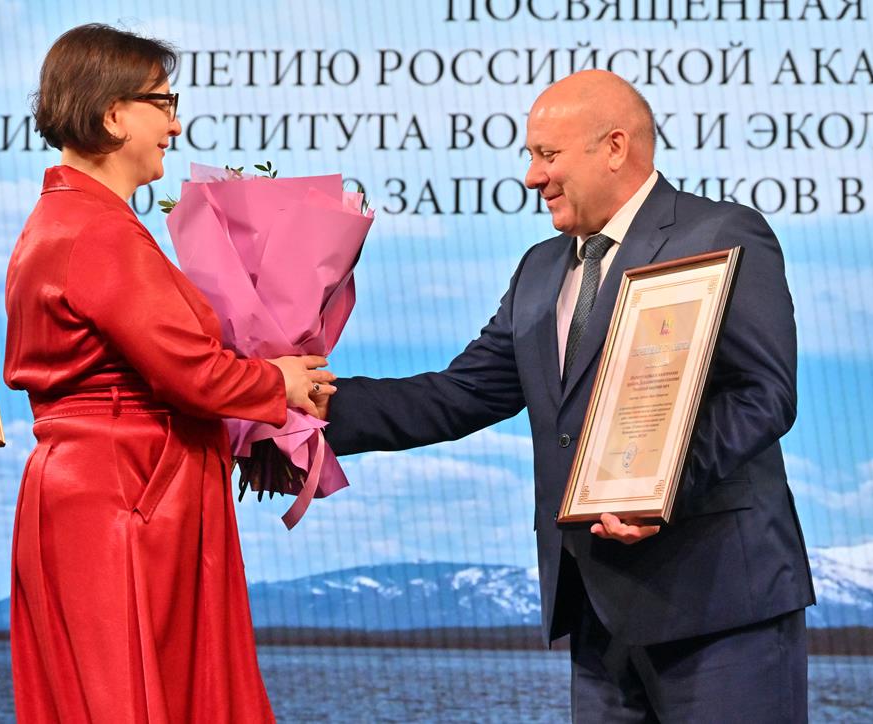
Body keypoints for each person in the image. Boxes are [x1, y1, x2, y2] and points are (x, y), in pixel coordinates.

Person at [321, 70, 814, 722]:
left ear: (614, 147)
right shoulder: (540, 269)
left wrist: (658, 489)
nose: (532, 177)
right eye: (530, 156)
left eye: (547, 155)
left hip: (720, 605)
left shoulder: (721, 232)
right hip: (595, 615)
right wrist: (308, 405)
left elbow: (763, 394)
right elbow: (462, 393)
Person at [4, 24, 334, 723]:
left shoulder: (61, 221)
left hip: (100, 487)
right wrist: (277, 382)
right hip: (126, 494)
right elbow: (190, 372)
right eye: (163, 102)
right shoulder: (97, 231)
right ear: (113, 114)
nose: (175, 125)